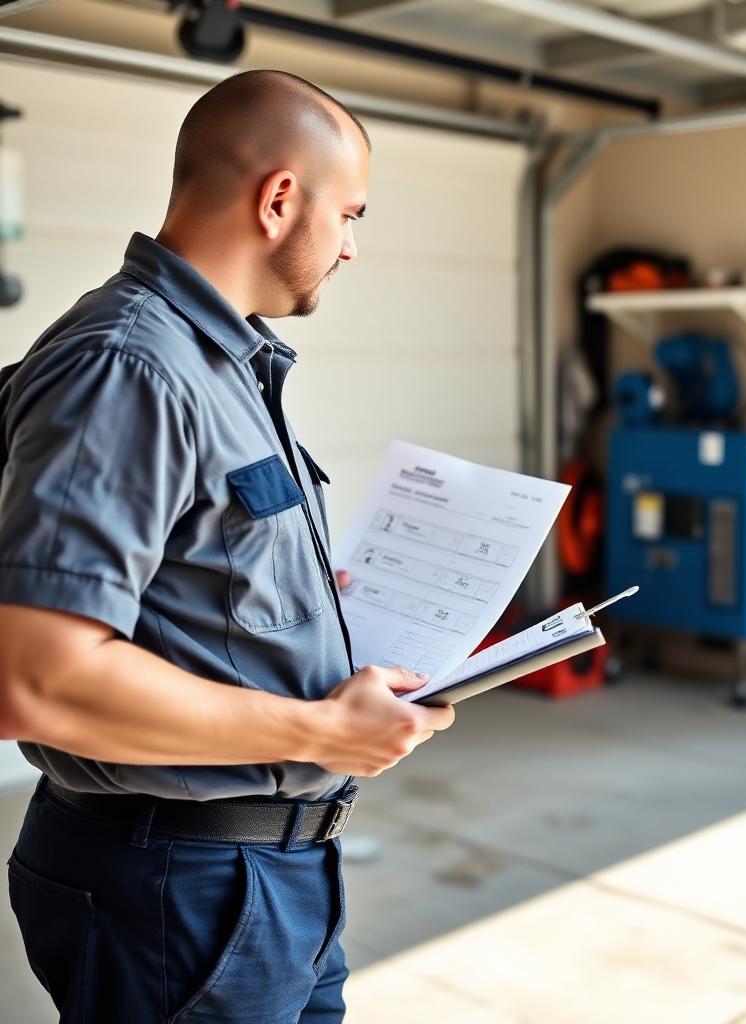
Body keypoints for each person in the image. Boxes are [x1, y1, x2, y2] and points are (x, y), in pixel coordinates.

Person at [0, 69, 455, 1022]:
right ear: (280, 199)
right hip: (178, 885)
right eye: (350, 213)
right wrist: (326, 734)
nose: (352, 248)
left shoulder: (217, 363)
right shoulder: (131, 366)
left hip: (260, 875)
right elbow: (33, 678)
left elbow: (190, 574)